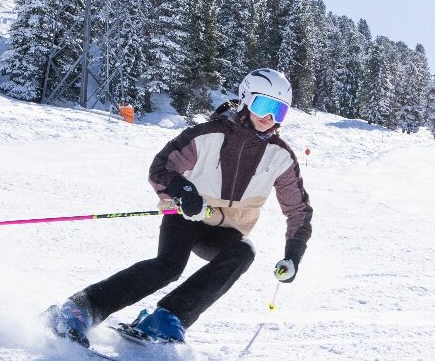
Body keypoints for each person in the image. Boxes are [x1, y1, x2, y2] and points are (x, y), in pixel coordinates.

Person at [50, 67, 314, 344]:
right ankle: (80, 308)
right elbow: (162, 166)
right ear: (246, 99)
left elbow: (298, 209)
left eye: (279, 111)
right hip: (186, 215)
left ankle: (166, 318)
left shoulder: (280, 156)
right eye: (264, 106)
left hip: (226, 229)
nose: (269, 118)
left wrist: (293, 254)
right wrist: (183, 190)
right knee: (168, 266)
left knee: (242, 252)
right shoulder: (206, 135)